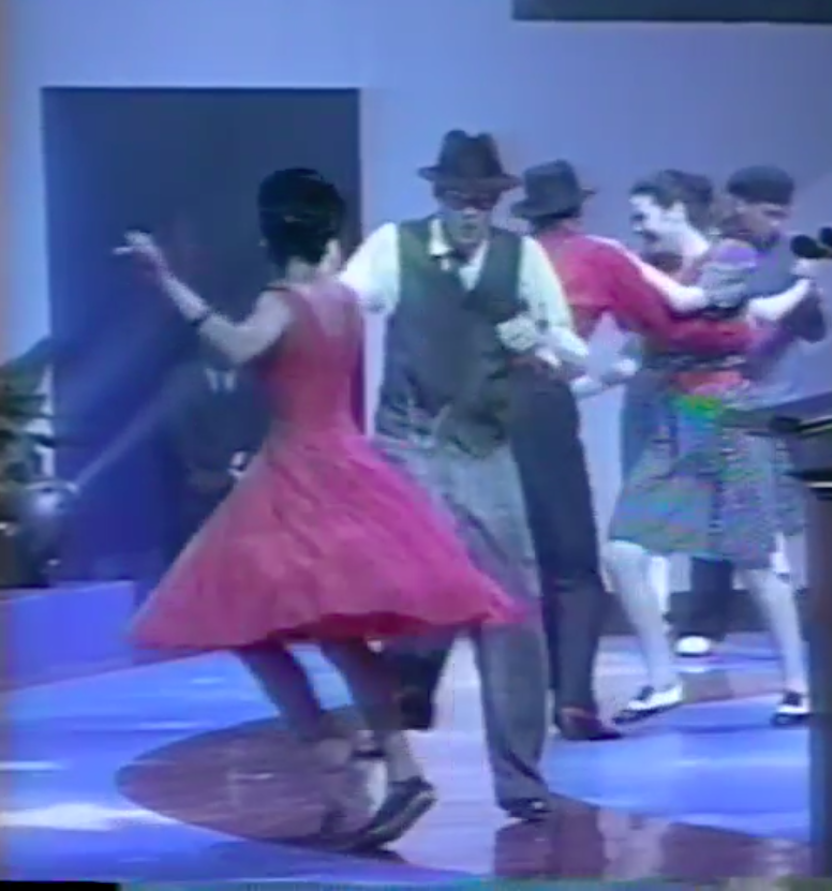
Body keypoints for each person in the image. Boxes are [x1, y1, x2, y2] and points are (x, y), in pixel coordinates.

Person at [118, 168, 520, 851]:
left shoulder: (286, 298)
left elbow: (240, 345)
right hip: (346, 462)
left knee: (244, 620)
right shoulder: (340, 298)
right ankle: (393, 768)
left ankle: (332, 753)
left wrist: (165, 280)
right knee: (333, 632)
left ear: (269, 232)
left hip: (298, 469)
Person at [339, 131, 581, 823]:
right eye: (458, 199)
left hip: (483, 445)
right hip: (408, 440)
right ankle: (407, 681)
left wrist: (539, 346)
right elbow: (343, 308)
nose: (471, 212)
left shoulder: (522, 257)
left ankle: (521, 777)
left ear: (497, 203)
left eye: (482, 200)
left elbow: (569, 350)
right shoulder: (396, 246)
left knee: (511, 604)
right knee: (415, 580)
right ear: (438, 197)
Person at [507, 159, 758, 741]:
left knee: (491, 553)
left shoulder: (507, 256)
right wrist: (740, 329)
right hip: (554, 403)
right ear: (576, 209)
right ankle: (572, 700)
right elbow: (667, 321)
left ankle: (424, 685)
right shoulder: (599, 254)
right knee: (572, 565)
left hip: (485, 405)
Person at [592, 170, 815, 726]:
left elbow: (696, 303)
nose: (639, 228)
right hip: (676, 416)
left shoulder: (731, 255)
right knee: (623, 551)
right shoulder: (660, 272)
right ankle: (662, 680)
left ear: (675, 211)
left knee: (756, 558)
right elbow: (637, 353)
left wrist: (626, 262)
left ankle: (798, 686)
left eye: (645, 215)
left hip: (726, 415)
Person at [671, 166, 826, 661]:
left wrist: (808, 294)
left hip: (777, 398)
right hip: (715, 398)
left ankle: (794, 622)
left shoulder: (796, 251)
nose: (778, 223)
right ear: (739, 204)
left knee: (779, 514)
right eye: (770, 212)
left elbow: (815, 329)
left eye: (784, 214)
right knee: (713, 510)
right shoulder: (713, 254)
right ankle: (703, 621)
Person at [159, 340, 268, 564]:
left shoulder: (254, 382)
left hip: (249, 489)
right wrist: (218, 471)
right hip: (195, 488)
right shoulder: (181, 382)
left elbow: (264, 429)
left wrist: (245, 465)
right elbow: (177, 434)